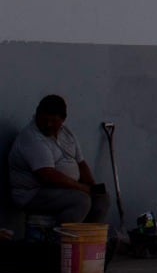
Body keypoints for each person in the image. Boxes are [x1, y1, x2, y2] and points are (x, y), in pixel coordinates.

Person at [8, 94, 109, 226]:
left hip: (64, 189)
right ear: (37, 114)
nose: (48, 125)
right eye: (44, 120)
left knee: (102, 198)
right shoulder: (32, 138)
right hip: (33, 194)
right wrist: (82, 188)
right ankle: (60, 241)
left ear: (63, 120)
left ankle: (87, 240)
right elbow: (48, 175)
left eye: (53, 121)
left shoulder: (67, 133)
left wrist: (92, 186)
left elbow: (81, 163)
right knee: (80, 200)